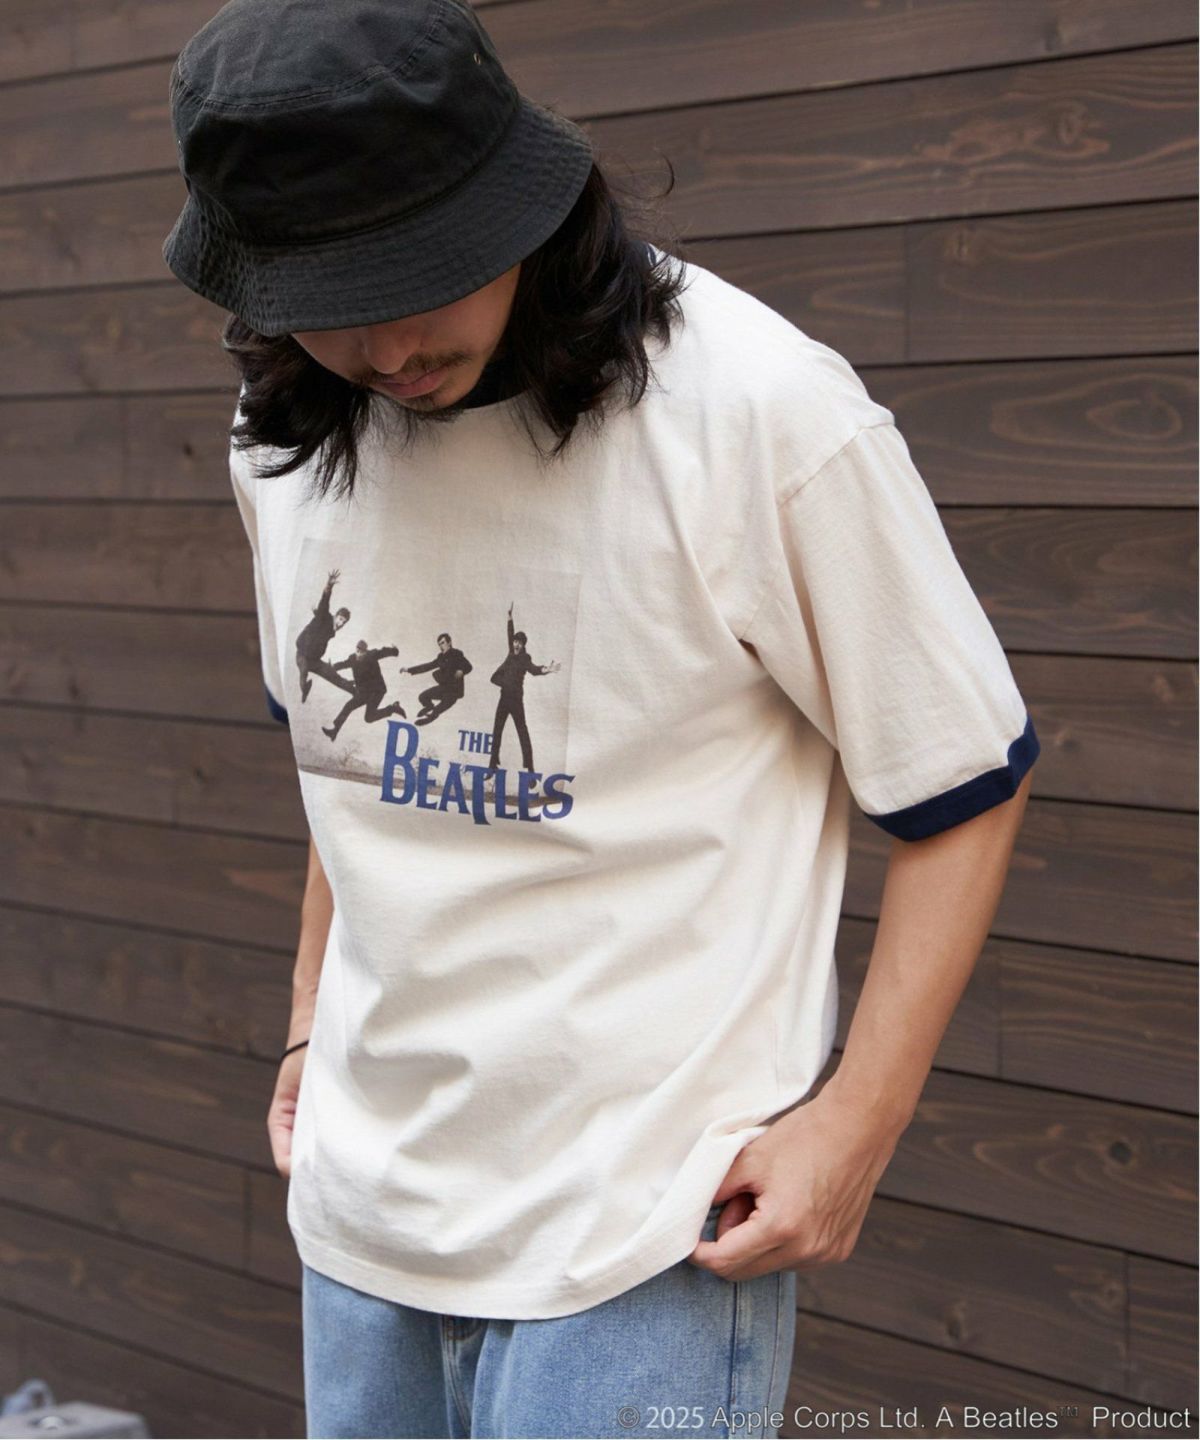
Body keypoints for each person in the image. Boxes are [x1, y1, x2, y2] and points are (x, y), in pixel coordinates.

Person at [162, 2, 1041, 1437]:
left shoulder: (757, 410)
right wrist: (309, 1029)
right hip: (362, 1215)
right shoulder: (289, 435)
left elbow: (965, 781)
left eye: (417, 275)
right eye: (330, 296)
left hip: (645, 1235)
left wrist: (856, 1123)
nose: (387, 344)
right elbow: (355, 765)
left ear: (518, 203)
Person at [487, 603, 560, 773]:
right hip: (504, 698)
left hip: (516, 700)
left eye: (519, 643)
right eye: (515, 642)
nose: (516, 645)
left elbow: (534, 669)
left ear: (523, 645)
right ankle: (492, 764)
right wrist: (509, 618)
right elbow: (509, 633)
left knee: (522, 731)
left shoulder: (525, 658)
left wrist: (546, 669)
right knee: (497, 729)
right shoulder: (510, 653)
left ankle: (530, 768)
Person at [322, 639, 406, 742]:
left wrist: (394, 651)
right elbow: (343, 664)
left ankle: (393, 708)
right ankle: (334, 731)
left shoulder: (372, 655)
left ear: (365, 651)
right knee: (349, 706)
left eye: (361, 652)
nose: (359, 654)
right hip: (364, 692)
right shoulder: (353, 658)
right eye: (357, 651)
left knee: (368, 718)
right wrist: (333, 667)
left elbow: (384, 652)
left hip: (377, 691)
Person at [295, 569, 353, 703]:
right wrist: (329, 586)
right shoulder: (325, 617)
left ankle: (355, 691)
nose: (340, 623)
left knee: (333, 676)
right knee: (304, 670)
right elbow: (324, 604)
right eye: (340, 619)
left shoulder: (332, 630)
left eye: (343, 622)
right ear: (335, 615)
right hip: (302, 655)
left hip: (315, 661)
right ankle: (305, 688)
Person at [400, 631, 473, 726]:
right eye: (439, 644)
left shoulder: (457, 654)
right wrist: (409, 670)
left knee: (436, 710)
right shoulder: (440, 657)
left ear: (449, 642)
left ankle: (430, 717)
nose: (441, 646)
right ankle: (429, 706)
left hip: (453, 692)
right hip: (443, 688)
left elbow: (469, 666)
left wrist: (461, 670)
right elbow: (428, 666)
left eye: (443, 643)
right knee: (422, 697)